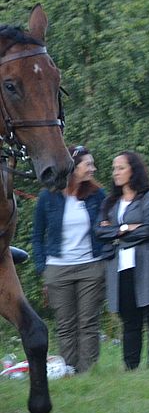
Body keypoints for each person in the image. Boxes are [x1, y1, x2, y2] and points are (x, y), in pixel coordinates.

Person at [30, 145, 106, 372]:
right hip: (58, 269)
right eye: (88, 164)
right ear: (73, 168)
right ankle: (69, 372)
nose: (92, 168)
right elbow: (37, 236)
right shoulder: (48, 197)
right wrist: (42, 268)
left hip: (90, 267)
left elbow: (106, 227)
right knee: (65, 324)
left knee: (88, 322)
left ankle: (88, 373)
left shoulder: (97, 195)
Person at [96, 151, 149, 369]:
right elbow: (99, 231)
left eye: (121, 168)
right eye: (114, 168)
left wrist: (116, 232)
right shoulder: (110, 202)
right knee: (130, 320)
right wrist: (126, 228)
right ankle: (131, 367)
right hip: (121, 267)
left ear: (133, 170)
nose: (115, 173)